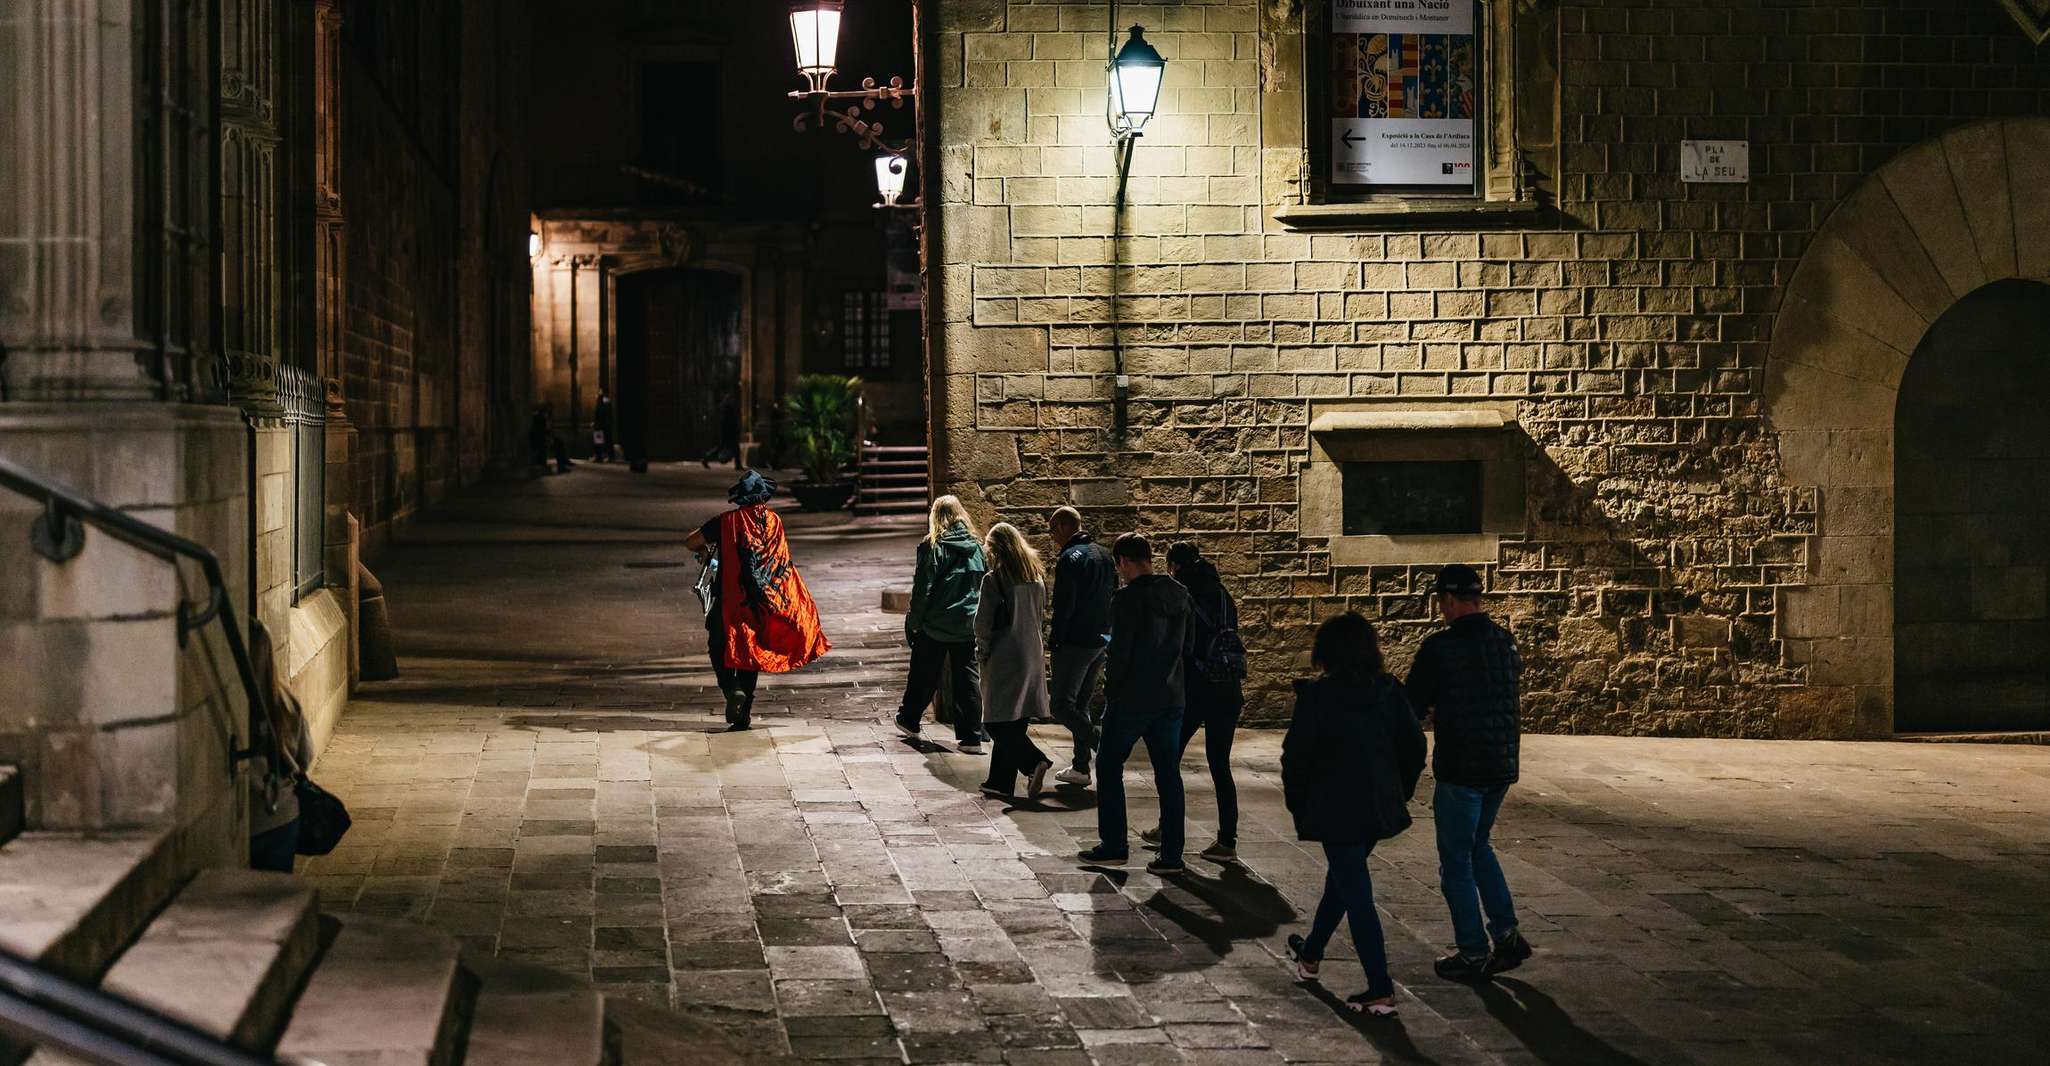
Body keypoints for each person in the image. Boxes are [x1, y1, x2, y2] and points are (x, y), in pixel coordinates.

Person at [1280, 612, 1427, 1017]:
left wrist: (1299, 802)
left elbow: (1296, 757)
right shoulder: (1388, 691)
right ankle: (1310, 954)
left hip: (1335, 806)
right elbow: (1414, 746)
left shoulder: (1318, 697)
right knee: (1343, 880)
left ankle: (1380, 989)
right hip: (1376, 805)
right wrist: (1400, 790)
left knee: (1356, 893)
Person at [1406, 563, 1531, 982]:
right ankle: (1507, 934)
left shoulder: (1441, 648)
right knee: (1480, 847)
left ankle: (1474, 951)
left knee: (1456, 862)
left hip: (1462, 768)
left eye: (1441, 602)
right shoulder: (1504, 642)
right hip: (1501, 764)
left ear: (1449, 600)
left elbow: (1413, 705)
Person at [1078, 533, 1191, 875]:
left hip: (1132, 698)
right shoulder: (1181, 594)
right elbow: (1189, 646)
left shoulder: (1127, 600)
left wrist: (1111, 692)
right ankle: (1171, 855)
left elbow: (1121, 652)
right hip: (1171, 696)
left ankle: (1114, 845)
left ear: (1124, 561)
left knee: (1109, 766)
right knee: (1169, 774)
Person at [685, 471, 831, 730]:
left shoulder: (726, 521)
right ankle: (744, 712)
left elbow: (691, 541)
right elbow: (781, 563)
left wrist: (706, 550)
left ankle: (731, 691)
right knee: (749, 653)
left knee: (717, 645)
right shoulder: (775, 522)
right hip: (761, 600)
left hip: (729, 600)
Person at [1139, 542, 1246, 862]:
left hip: (1195, 690)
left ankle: (1167, 829)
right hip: (1228, 688)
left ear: (1173, 566)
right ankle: (1227, 841)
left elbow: (1179, 645)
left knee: (1168, 761)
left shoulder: (1183, 595)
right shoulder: (1223, 593)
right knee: (1219, 764)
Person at [894, 496, 989, 752]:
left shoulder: (933, 546)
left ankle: (909, 719)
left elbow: (923, 588)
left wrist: (914, 622)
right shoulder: (978, 547)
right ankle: (971, 737)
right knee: (967, 678)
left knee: (923, 673)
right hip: (968, 624)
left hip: (937, 623)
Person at [974, 522, 1054, 800]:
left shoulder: (994, 580)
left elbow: (982, 622)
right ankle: (1000, 781)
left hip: (1005, 655)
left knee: (996, 720)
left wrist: (982, 651)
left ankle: (1034, 761)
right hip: (1032, 653)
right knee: (1015, 719)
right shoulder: (1036, 578)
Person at [1045, 506, 1115, 786]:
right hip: (1101, 639)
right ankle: (1081, 767)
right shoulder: (1105, 554)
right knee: (1081, 704)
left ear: (1062, 526)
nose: (1052, 537)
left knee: (1061, 706)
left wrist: (1056, 640)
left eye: (1052, 531)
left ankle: (1105, 746)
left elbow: (1065, 605)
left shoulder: (1069, 558)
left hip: (1075, 641)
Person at [248, 620, 314, 873]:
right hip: (282, 813)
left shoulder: (225, 707)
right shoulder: (285, 703)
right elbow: (304, 757)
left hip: (247, 819)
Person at [592, 392, 617, 462]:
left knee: (601, 442)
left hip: (601, 425)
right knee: (605, 441)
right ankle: (605, 456)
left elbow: (600, 415)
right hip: (603, 425)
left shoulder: (603, 403)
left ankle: (600, 456)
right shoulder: (606, 402)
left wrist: (596, 423)